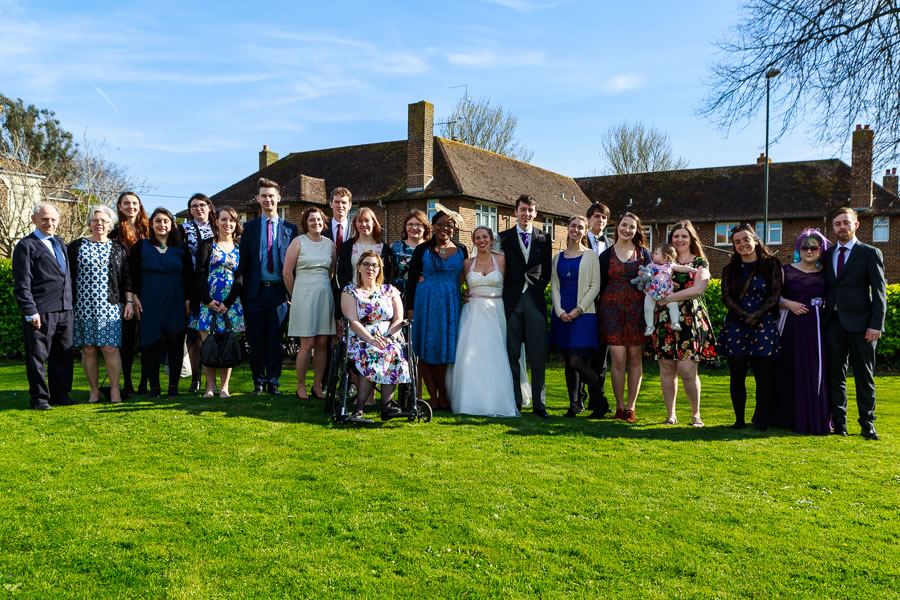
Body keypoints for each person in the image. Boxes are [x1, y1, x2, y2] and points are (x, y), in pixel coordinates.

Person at [823, 207, 886, 440]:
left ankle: (867, 424)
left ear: (856, 225)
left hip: (863, 326)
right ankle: (839, 424)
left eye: (846, 222)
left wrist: (876, 324)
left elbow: (879, 293)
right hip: (833, 323)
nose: (842, 227)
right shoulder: (827, 254)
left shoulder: (870, 253)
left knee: (864, 376)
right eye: (838, 223)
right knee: (835, 375)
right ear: (833, 227)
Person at [447, 226, 519, 417]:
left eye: (485, 237)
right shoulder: (467, 263)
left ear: (491, 239)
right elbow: (452, 283)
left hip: (496, 311)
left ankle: (496, 400)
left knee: (495, 354)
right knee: (471, 355)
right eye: (477, 238)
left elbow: (513, 283)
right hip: (472, 313)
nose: (481, 241)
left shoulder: (502, 260)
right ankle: (469, 400)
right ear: (473, 241)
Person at [652, 221, 717, 427]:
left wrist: (668, 298)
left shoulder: (699, 262)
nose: (679, 240)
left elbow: (699, 289)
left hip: (689, 320)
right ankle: (670, 415)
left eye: (684, 236)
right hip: (664, 321)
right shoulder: (662, 261)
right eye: (676, 236)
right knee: (666, 369)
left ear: (691, 239)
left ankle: (695, 415)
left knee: (687, 370)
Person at [12, 202, 76, 410]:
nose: (50, 223)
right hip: (41, 311)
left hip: (65, 309)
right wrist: (30, 311)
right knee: (37, 357)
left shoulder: (60, 243)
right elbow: (22, 283)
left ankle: (60, 394)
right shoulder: (26, 246)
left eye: (53, 219)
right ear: (34, 220)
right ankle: (39, 399)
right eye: (45, 219)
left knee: (63, 355)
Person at [718, 223, 782, 430]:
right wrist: (745, 316)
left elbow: (775, 295)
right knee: (737, 375)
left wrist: (756, 315)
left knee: (764, 376)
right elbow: (727, 297)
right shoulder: (729, 269)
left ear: (755, 239)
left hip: (764, 324)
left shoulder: (771, 264)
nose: (742, 244)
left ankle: (762, 419)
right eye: (737, 242)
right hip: (736, 325)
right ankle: (739, 420)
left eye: (746, 239)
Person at [67, 205, 133, 404]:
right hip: (83, 305)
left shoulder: (118, 248)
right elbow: (67, 275)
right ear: (89, 223)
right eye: (95, 220)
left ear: (110, 225)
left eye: (104, 221)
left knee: (110, 348)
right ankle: (94, 391)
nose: (99, 224)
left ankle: (114, 390)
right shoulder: (75, 246)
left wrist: (129, 302)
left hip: (109, 306)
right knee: (88, 349)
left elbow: (127, 279)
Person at [239, 178, 298, 395]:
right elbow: (244, 264)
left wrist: (291, 293)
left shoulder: (290, 229)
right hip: (254, 292)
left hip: (278, 293)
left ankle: (274, 382)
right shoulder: (249, 228)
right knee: (255, 340)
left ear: (278, 198)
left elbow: (295, 266)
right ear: (258, 198)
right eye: (263, 196)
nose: (268, 200)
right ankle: (258, 382)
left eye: (271, 196)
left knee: (275, 340)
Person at [406, 207, 468, 410]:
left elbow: (465, 277)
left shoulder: (462, 249)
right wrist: (410, 308)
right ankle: (433, 396)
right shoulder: (422, 250)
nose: (445, 229)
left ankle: (444, 394)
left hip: (450, 303)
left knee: (444, 348)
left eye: (449, 226)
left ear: (454, 229)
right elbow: (411, 281)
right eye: (440, 225)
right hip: (425, 303)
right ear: (432, 227)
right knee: (424, 347)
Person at [129, 207, 194, 398]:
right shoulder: (141, 246)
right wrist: (133, 297)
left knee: (175, 345)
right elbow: (131, 274)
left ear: (172, 224)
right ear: (151, 224)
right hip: (149, 303)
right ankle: (154, 388)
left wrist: (188, 300)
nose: (162, 225)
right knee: (151, 345)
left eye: (166, 221)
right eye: (158, 221)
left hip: (176, 303)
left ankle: (173, 388)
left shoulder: (181, 247)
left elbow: (189, 275)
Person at [341, 251, 411, 422]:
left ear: (380, 269)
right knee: (373, 352)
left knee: (391, 352)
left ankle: (386, 408)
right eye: (366, 264)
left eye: (374, 265)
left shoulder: (390, 290)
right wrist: (371, 339)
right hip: (360, 338)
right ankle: (359, 409)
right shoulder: (351, 291)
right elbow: (352, 320)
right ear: (359, 267)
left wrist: (389, 338)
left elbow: (398, 319)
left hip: (388, 337)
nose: (370, 268)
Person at [499, 195, 552, 418]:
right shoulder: (503, 237)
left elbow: (547, 270)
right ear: (516, 212)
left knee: (538, 355)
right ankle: (516, 402)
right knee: (512, 355)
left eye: (530, 210)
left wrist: (537, 288)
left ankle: (539, 405)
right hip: (511, 301)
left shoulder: (544, 237)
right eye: (523, 209)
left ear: (535, 213)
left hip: (534, 301)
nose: (526, 214)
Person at [597, 212, 651, 423]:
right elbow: (600, 285)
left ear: (636, 230)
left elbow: (652, 284)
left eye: (632, 227)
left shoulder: (643, 254)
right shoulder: (605, 255)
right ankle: (619, 407)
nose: (627, 230)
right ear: (617, 226)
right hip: (612, 312)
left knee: (635, 358)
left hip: (637, 311)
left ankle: (631, 407)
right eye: (624, 225)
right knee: (618, 359)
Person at [777, 229, 831, 434]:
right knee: (787, 367)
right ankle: (785, 417)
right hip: (790, 326)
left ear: (821, 249)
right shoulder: (785, 270)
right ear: (798, 249)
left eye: (814, 247)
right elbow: (772, 296)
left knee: (813, 369)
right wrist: (787, 303)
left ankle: (812, 416)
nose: (809, 251)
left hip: (817, 328)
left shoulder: (827, 273)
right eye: (804, 247)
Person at [549, 216, 602, 418]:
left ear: (585, 231)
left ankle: (600, 401)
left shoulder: (590, 256)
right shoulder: (557, 258)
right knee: (568, 362)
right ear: (568, 228)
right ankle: (574, 405)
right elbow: (555, 286)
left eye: (580, 227)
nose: (576, 230)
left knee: (576, 361)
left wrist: (578, 309)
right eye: (573, 226)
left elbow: (595, 286)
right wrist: (560, 311)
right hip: (562, 314)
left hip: (584, 314)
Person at [284, 206, 336, 401]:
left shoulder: (329, 244)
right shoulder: (298, 242)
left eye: (319, 219)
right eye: (312, 220)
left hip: (324, 295)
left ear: (324, 222)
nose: (316, 223)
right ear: (305, 223)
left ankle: (317, 385)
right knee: (306, 344)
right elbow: (287, 273)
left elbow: (331, 272)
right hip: (303, 296)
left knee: (322, 343)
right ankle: (300, 385)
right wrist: (296, 295)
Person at [194, 206, 246, 398]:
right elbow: (200, 272)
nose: (227, 223)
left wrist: (228, 302)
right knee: (208, 343)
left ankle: (224, 387)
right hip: (209, 301)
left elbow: (241, 276)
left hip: (231, 301)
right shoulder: (207, 244)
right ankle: (210, 386)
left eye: (231, 220)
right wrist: (207, 300)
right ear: (216, 221)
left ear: (236, 223)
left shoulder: (240, 246)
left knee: (226, 342)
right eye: (223, 219)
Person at [109, 191, 150, 397]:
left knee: (147, 340)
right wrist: (130, 295)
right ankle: (127, 383)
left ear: (139, 205)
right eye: (126, 203)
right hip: (123, 292)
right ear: (119, 206)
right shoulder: (114, 234)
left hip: (148, 290)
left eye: (134, 203)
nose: (131, 207)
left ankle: (145, 382)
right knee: (126, 341)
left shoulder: (150, 230)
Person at [180, 193, 216, 393]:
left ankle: (215, 379)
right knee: (194, 335)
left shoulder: (218, 226)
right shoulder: (183, 229)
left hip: (216, 286)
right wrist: (186, 295)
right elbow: (182, 262)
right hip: (193, 288)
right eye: (193, 206)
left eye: (202, 205)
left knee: (213, 334)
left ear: (209, 207)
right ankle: (196, 379)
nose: (198, 209)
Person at [583, 202, 613, 418]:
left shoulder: (612, 244)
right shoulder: (578, 239)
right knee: (581, 354)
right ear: (588, 219)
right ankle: (578, 399)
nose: (600, 220)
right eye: (596, 216)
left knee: (601, 357)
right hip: (582, 303)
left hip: (605, 305)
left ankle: (597, 399)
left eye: (603, 217)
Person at [637, 243, 697, 336]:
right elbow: (644, 272)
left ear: (665, 258)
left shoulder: (670, 265)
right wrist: (641, 273)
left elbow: (681, 268)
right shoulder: (651, 265)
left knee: (673, 304)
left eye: (656, 253)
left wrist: (690, 269)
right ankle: (649, 326)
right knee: (647, 308)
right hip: (651, 292)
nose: (653, 255)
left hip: (667, 291)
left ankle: (675, 322)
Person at [336, 207, 395, 291]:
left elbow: (387, 275)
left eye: (367, 221)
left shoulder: (385, 249)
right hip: (351, 294)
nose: (363, 224)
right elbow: (341, 273)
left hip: (376, 294)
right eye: (360, 221)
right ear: (355, 224)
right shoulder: (346, 247)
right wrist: (349, 290)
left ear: (373, 223)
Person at [391, 210, 432, 307]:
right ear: (405, 227)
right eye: (410, 224)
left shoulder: (432, 248)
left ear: (425, 227)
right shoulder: (395, 247)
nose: (414, 228)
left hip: (423, 293)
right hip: (399, 294)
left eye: (418, 224)